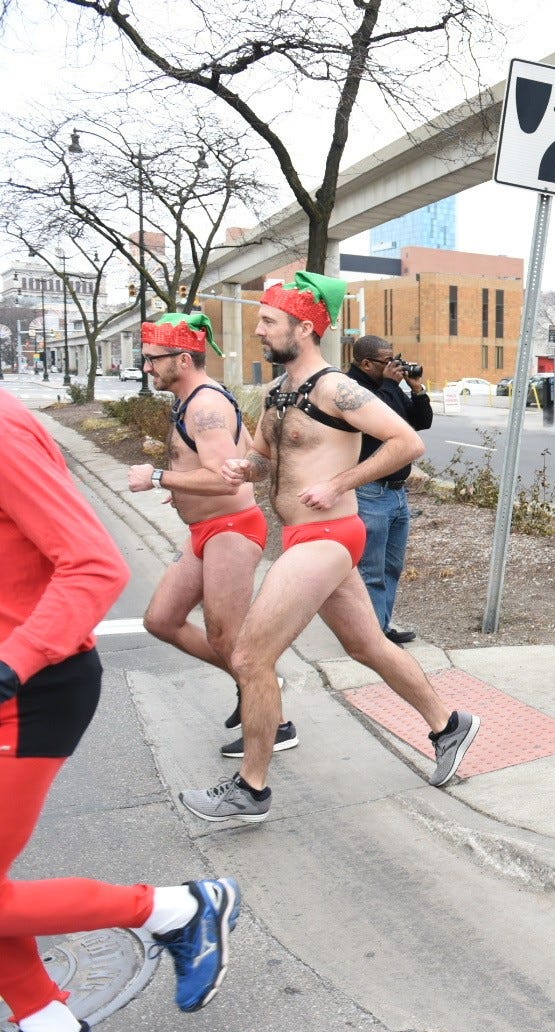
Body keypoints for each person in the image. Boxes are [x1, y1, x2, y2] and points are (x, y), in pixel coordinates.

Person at [177, 271, 481, 823]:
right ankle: (449, 724)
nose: (260, 331)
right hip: (302, 534)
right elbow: (269, 457)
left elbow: (406, 441)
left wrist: (340, 483)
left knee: (249, 656)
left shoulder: (337, 388)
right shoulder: (280, 391)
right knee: (367, 646)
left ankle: (252, 787)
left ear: (306, 327)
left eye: (269, 322)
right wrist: (246, 465)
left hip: (328, 535)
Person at [1, 387, 241, 1032]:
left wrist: (13, 663)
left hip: (32, 689)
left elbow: (97, 564)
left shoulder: (3, 429)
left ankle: (179, 909)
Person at [127, 313, 282, 758]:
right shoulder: (190, 399)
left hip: (231, 530)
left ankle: (275, 715)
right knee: (161, 619)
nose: (147, 368)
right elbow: (206, 467)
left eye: (153, 359)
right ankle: (256, 684)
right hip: (205, 530)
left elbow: (227, 479)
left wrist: (158, 477)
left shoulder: (206, 407)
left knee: (226, 637)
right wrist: (177, 486)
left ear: (181, 358)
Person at [348, 334, 433, 646]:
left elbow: (420, 422)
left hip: (397, 491)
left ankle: (380, 626)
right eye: (387, 360)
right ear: (367, 363)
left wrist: (417, 389)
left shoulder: (389, 387)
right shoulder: (352, 389)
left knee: (391, 566)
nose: (395, 365)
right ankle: (371, 636)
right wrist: (388, 384)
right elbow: (375, 423)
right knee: (371, 568)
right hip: (370, 491)